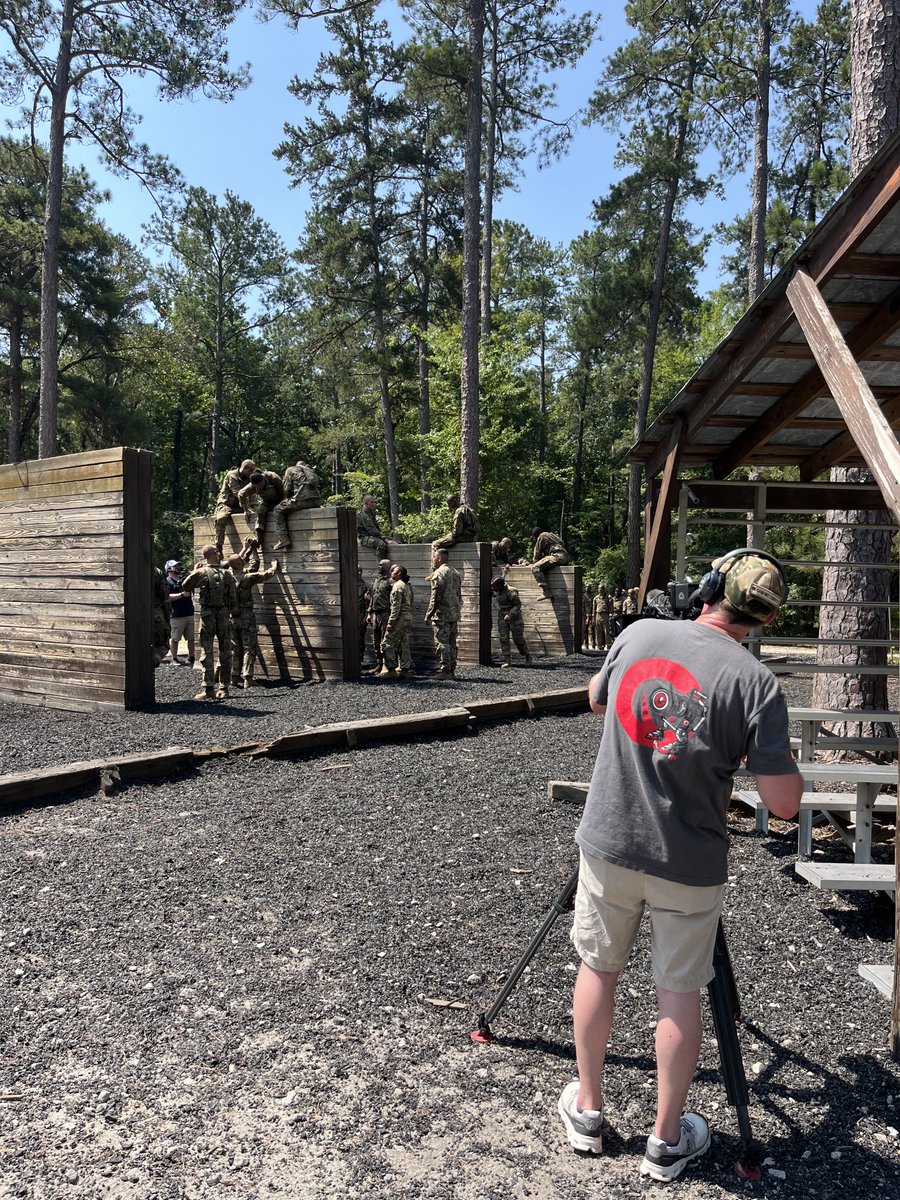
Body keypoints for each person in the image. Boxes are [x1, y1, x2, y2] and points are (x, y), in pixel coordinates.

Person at [558, 550, 802, 1183]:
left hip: (610, 842)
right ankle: (666, 1141)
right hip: (689, 862)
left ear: (711, 588)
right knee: (679, 992)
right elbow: (783, 804)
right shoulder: (757, 684)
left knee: (598, 967)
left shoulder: (640, 633)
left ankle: (588, 1109)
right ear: (765, 616)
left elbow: (597, 699)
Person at [182, 544, 239, 701]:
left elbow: (186, 585)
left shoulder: (201, 573)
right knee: (225, 650)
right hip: (223, 615)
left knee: (207, 650)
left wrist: (194, 571)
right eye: (217, 552)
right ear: (214, 554)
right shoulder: (227, 574)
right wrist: (231, 612)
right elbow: (233, 597)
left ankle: (208, 688)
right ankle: (224, 688)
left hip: (207, 615)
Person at [226, 538, 280, 689]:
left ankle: (234, 676)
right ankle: (248, 678)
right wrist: (274, 566)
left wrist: (250, 549)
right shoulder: (247, 578)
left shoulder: (227, 577)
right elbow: (265, 575)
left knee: (236, 648)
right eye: (241, 561)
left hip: (232, 618)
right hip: (246, 617)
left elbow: (249, 564)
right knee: (249, 647)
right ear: (239, 564)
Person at [424, 546, 462, 678]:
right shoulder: (455, 572)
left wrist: (429, 613)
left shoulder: (439, 573)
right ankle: (452, 669)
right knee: (452, 643)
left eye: (434, 556)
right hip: (454, 614)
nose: (433, 559)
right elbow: (459, 594)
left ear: (439, 558)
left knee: (442, 643)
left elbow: (436, 597)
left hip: (441, 614)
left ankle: (445, 670)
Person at [272, 460, 322, 551]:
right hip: (316, 501)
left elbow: (287, 489)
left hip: (302, 501)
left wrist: (286, 498)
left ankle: (283, 539)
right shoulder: (310, 471)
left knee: (277, 510)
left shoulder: (291, 470)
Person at [213, 459, 256, 558]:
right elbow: (238, 493)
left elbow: (252, 494)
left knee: (254, 516)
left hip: (240, 505)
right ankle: (218, 548)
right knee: (221, 518)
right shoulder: (232, 475)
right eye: (250, 470)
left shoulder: (250, 477)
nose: (252, 472)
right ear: (244, 468)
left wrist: (254, 507)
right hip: (226, 504)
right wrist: (245, 509)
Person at [238, 469, 284, 551]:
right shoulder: (252, 486)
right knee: (259, 512)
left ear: (263, 479)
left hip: (280, 499)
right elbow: (241, 494)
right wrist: (245, 510)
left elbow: (285, 489)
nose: (260, 487)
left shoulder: (272, 477)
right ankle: (259, 540)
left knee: (280, 512)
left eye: (261, 484)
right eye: (257, 486)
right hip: (267, 502)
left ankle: (283, 538)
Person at [490, 575, 531, 668]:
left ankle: (527, 655)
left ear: (500, 585)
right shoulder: (497, 590)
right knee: (503, 638)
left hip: (514, 616)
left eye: (494, 586)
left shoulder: (511, 591)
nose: (493, 588)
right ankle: (507, 660)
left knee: (518, 638)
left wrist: (510, 615)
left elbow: (517, 605)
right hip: (502, 615)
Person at [380, 564, 413, 677]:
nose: (391, 573)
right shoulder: (405, 585)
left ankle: (391, 670)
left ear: (399, 573)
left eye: (392, 571)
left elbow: (396, 607)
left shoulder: (397, 586)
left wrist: (391, 622)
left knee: (387, 643)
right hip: (407, 617)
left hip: (400, 619)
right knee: (403, 643)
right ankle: (404, 669)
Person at [165, 559, 195, 666]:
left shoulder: (184, 579)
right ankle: (174, 659)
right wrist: (182, 595)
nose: (178, 568)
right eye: (175, 566)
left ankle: (191, 657)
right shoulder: (167, 581)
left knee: (191, 638)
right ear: (169, 569)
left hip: (189, 612)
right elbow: (167, 597)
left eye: (178, 566)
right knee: (175, 639)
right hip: (176, 614)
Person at [366, 558, 393, 673]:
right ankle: (379, 663)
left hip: (385, 613)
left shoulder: (391, 581)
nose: (379, 567)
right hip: (375, 614)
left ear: (387, 567)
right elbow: (373, 597)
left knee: (384, 640)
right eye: (378, 565)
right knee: (376, 640)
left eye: (381, 565)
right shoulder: (377, 580)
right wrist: (369, 613)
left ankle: (387, 665)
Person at [530, 528, 570, 593]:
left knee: (535, 567)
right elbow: (562, 543)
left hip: (557, 556)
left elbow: (537, 553)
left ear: (535, 535)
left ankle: (546, 592)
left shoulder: (542, 536)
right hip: (564, 556)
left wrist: (534, 563)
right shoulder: (551, 535)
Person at [152, 566, 171, 668]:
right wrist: (167, 615)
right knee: (163, 643)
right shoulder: (156, 572)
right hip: (156, 614)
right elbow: (165, 595)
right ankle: (154, 660)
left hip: (134, 614)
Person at [357, 567, 370, 660]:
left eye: (360, 571)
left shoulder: (365, 585)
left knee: (360, 636)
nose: (358, 573)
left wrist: (366, 616)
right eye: (356, 570)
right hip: (349, 614)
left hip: (361, 613)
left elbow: (370, 602)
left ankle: (360, 658)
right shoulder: (348, 584)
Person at [594, 585, 611, 651]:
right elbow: (594, 608)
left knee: (606, 631)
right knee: (598, 631)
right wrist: (593, 617)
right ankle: (599, 645)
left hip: (605, 614)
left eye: (601, 589)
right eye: (599, 589)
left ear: (604, 589)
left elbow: (610, 606)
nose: (600, 590)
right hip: (598, 614)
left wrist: (610, 614)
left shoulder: (607, 597)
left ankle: (608, 645)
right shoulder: (596, 598)